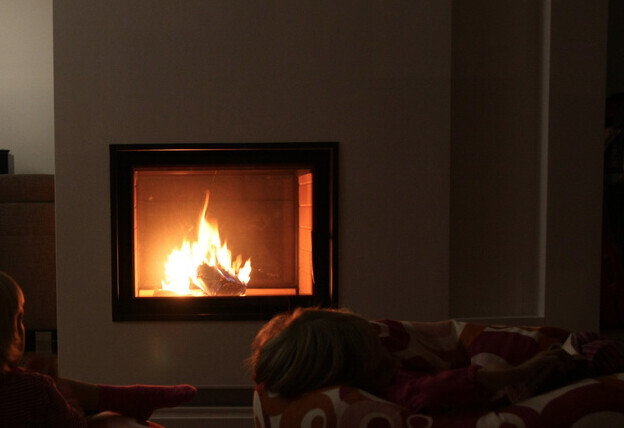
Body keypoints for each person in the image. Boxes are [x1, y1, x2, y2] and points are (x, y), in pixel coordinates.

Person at [249, 307, 593, 414]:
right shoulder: (403, 391)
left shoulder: (377, 376)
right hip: (516, 388)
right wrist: (525, 370)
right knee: (582, 355)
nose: (385, 350)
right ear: (351, 365)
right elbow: (466, 382)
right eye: (374, 348)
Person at [0, 271, 197, 427]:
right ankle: (122, 399)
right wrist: (60, 390)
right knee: (114, 421)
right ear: (13, 330)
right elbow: (76, 424)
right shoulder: (35, 388)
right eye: (20, 316)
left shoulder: (30, 384)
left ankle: (119, 398)